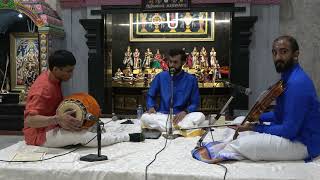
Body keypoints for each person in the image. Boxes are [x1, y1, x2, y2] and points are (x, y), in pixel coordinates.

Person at [193, 35, 320, 163]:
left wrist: (253, 128)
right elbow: (279, 114)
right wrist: (254, 118)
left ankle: (222, 151)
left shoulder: (297, 83)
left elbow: (289, 131)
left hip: (303, 143)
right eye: (274, 53)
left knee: (243, 144)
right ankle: (226, 144)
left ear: (295, 54)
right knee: (240, 120)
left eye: (284, 52)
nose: (278, 57)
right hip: (291, 133)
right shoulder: (287, 78)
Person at [23, 50, 144, 148]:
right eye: (69, 71)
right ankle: (127, 137)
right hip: (39, 135)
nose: (71, 74)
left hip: (53, 125)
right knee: (85, 136)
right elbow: (29, 120)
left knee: (92, 125)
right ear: (55, 69)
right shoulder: (42, 89)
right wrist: (58, 119)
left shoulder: (54, 78)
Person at [141, 49, 205, 132]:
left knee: (200, 116)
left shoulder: (191, 80)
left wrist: (185, 112)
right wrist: (151, 107)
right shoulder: (161, 77)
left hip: (181, 116)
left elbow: (195, 103)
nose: (171, 65)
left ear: (183, 62)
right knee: (145, 117)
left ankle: (168, 128)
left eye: (175, 62)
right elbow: (150, 95)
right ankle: (180, 128)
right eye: (170, 62)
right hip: (163, 115)